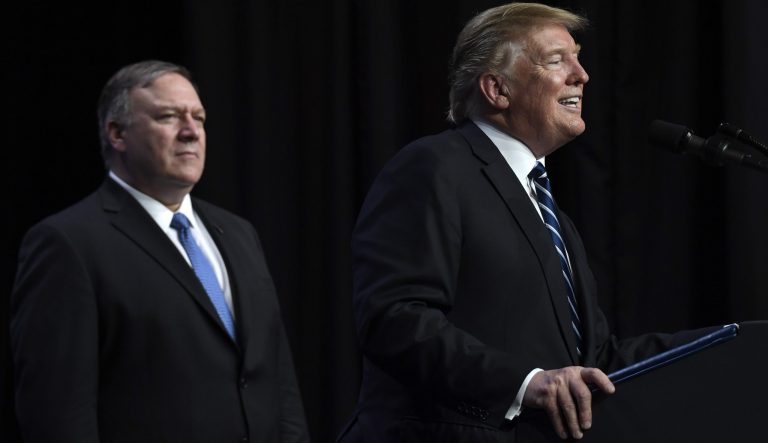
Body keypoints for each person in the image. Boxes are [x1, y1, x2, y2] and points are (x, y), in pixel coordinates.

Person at [338, 3, 710, 442]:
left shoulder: (554, 217)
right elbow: (394, 319)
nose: (581, 74)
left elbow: (596, 360)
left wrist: (733, 345)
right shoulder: (433, 167)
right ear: (497, 89)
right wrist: (526, 382)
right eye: (557, 60)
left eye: (578, 56)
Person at [10, 60, 309, 443]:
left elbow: (276, 378)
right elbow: (57, 414)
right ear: (117, 133)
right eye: (169, 117)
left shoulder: (238, 233)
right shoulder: (68, 243)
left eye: (199, 118)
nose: (191, 132)